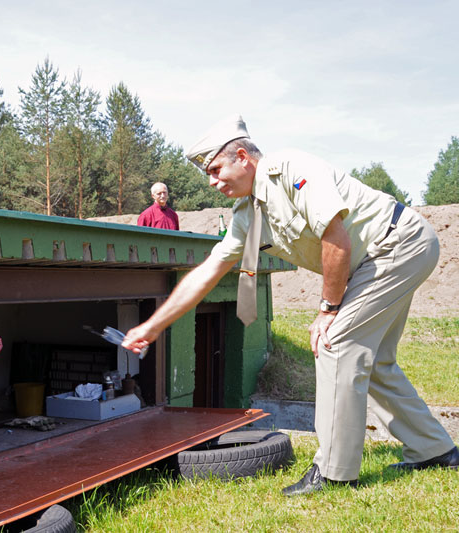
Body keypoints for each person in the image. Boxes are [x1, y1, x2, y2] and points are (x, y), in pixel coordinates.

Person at [122, 114, 458, 496]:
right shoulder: (247, 215)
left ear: (242, 157)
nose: (212, 182)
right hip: (375, 259)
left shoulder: (292, 170)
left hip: (397, 244)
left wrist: (328, 311)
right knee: (374, 359)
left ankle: (334, 473)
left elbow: (336, 239)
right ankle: (435, 450)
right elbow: (207, 273)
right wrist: (150, 327)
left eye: (215, 170)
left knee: (335, 342)